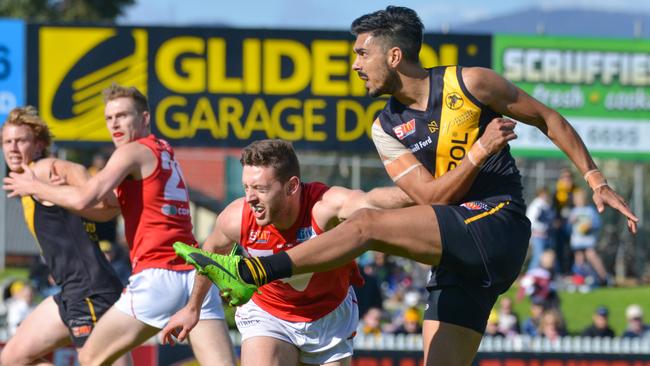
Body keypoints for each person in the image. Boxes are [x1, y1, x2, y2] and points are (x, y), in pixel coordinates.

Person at [172, 6, 637, 366]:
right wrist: (480, 150)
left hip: (497, 223)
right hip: (457, 249)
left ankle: (257, 271)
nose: (355, 64)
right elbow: (432, 197)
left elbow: (548, 118)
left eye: (361, 53)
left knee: (369, 224)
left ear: (394, 55)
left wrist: (595, 179)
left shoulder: (471, 82)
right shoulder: (385, 127)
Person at [3, 85, 236, 366]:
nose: (114, 123)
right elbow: (106, 206)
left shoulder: (130, 153)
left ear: (144, 118)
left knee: (90, 359)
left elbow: (86, 196)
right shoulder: (163, 152)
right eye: (110, 118)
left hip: (158, 277)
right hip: (196, 274)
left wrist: (34, 186)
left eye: (123, 115)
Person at [162, 139, 411, 366]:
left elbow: (372, 202)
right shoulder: (236, 218)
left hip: (328, 316)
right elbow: (210, 254)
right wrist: (192, 308)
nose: (250, 198)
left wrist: (420, 192)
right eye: (246, 187)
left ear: (292, 186)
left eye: (260, 188)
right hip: (268, 313)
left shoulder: (324, 207)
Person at [0, 106, 127, 365]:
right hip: (71, 290)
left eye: (21, 141)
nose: (13, 148)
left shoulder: (47, 169)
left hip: (90, 290)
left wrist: (73, 186)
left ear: (39, 145)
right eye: (7, 142)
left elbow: (109, 202)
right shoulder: (26, 182)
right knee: (12, 358)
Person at [568, 188, 607, 285]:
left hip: (588, 240)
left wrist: (591, 225)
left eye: (581, 199)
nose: (579, 201)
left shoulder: (590, 210)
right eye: (577, 199)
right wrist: (570, 222)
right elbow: (568, 227)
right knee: (579, 259)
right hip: (577, 240)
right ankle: (579, 279)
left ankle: (603, 277)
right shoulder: (574, 211)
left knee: (592, 256)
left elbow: (597, 223)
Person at [526, 187, 555, 270]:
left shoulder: (546, 205)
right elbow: (531, 221)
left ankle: (542, 276)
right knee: (538, 256)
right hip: (538, 235)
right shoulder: (537, 205)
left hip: (546, 235)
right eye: (543, 193)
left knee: (546, 258)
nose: (546, 195)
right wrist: (542, 228)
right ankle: (531, 275)